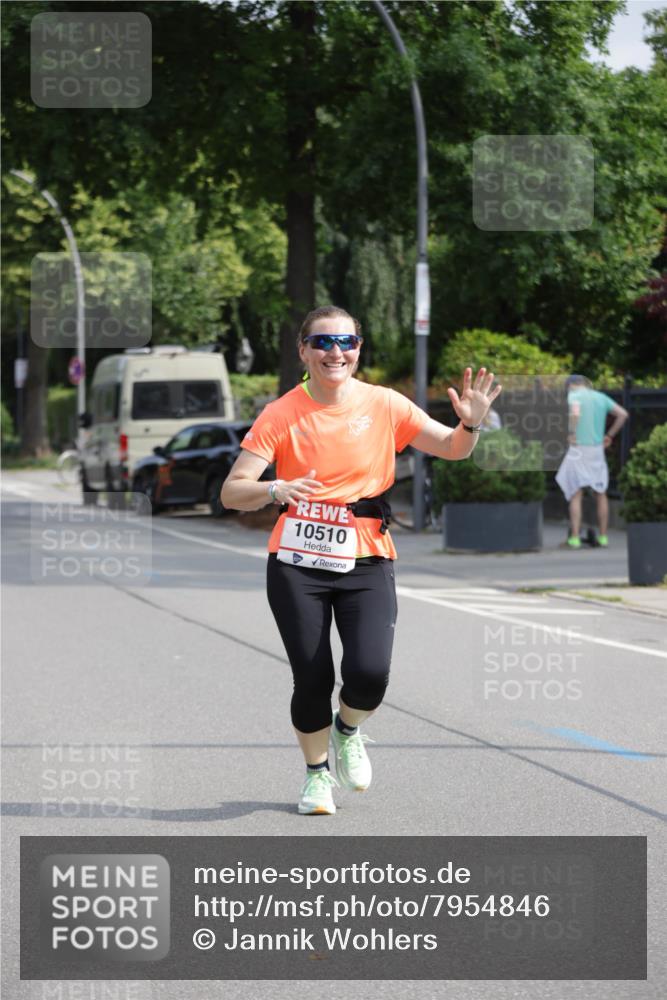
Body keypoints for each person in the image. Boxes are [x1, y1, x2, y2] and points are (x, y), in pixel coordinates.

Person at [221, 305, 502, 815]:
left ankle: (347, 729)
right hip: (296, 561)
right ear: (303, 351)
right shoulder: (280, 413)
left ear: (358, 349)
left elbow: (452, 448)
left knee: (370, 672)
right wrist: (276, 487)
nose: (336, 352)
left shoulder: (385, 404)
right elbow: (232, 492)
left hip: (367, 555)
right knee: (312, 677)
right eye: (323, 343)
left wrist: (471, 425)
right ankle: (315, 777)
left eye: (346, 342)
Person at [555, 374, 628, 548]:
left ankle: (574, 538)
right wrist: (609, 435)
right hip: (597, 450)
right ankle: (603, 537)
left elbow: (575, 413)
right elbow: (623, 414)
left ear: (571, 385)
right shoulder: (601, 397)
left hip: (579, 449)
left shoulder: (574, 396)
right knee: (601, 492)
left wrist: (572, 433)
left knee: (575, 493)